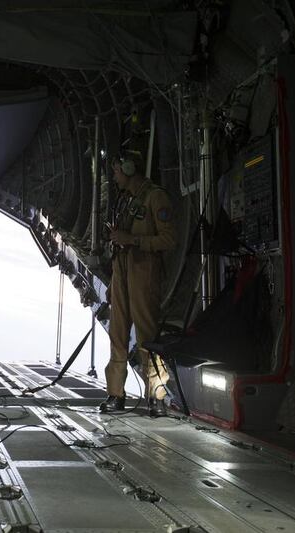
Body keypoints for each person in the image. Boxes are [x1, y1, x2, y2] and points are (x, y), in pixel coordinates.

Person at [99, 154, 176, 417]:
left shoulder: (155, 197)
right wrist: (112, 282)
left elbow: (168, 239)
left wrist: (132, 239)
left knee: (147, 334)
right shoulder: (125, 200)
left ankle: (156, 395)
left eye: (118, 171)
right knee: (117, 334)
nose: (115, 176)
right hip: (121, 270)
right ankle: (115, 394)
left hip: (144, 271)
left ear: (130, 169)